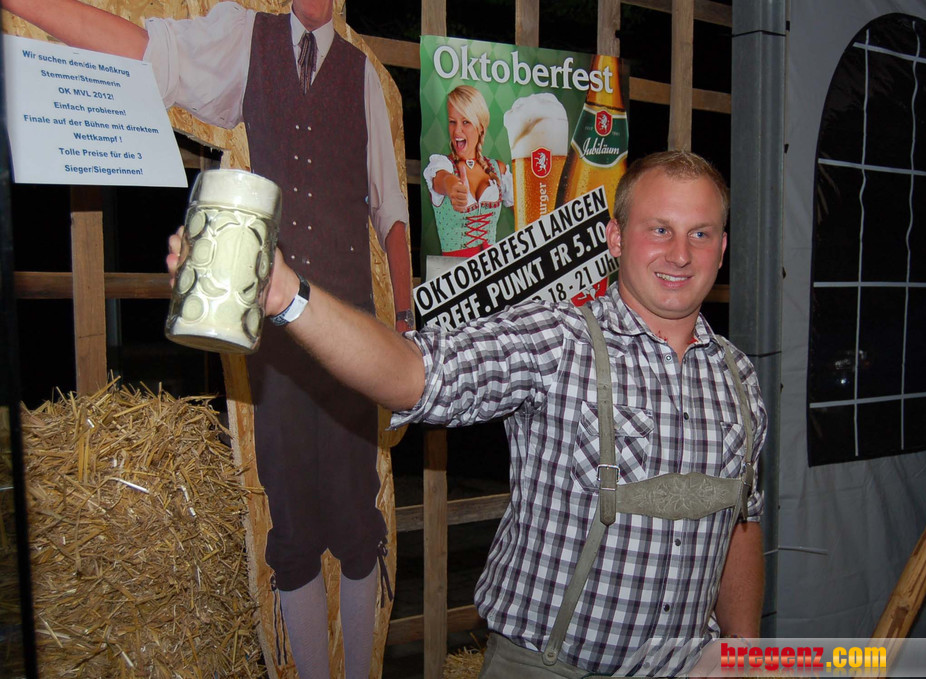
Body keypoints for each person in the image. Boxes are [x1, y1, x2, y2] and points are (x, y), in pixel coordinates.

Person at [169, 149, 766, 677]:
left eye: (701, 233)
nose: (680, 254)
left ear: (722, 248)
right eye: (659, 229)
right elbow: (413, 375)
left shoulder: (739, 378)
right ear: (615, 238)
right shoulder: (559, 341)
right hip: (549, 668)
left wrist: (744, 652)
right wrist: (285, 295)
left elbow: (740, 522)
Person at [5, 1, 413, 677]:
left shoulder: (364, 73)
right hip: (276, 330)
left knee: (356, 514)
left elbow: (391, 209)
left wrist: (403, 320)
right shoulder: (245, 36)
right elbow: (147, 52)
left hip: (351, 328)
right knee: (291, 518)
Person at [423, 85, 513, 257]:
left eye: (466, 122)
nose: (457, 130)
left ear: (480, 127)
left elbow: (528, 215)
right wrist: (452, 187)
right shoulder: (442, 165)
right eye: (452, 122)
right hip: (454, 271)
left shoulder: (498, 169)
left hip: (492, 269)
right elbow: (442, 179)